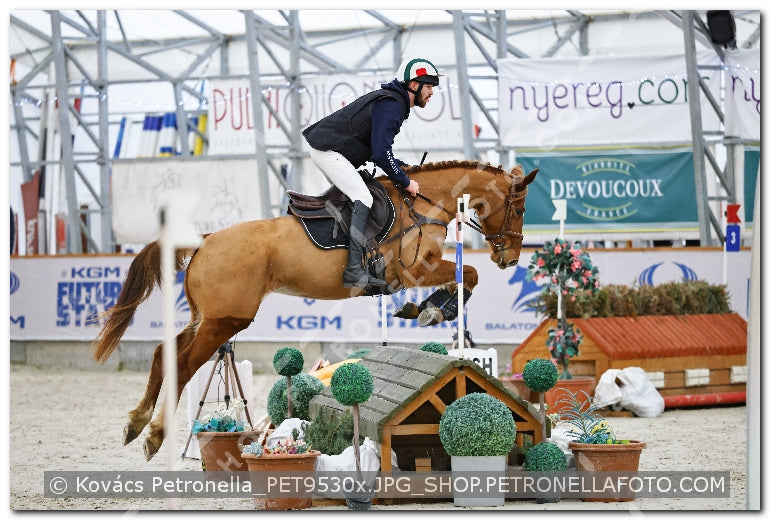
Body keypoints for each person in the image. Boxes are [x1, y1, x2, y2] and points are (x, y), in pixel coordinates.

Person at [302, 58, 441, 289]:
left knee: (364, 194)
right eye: (429, 86)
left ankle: (353, 256)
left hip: (332, 151)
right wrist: (406, 182)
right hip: (328, 152)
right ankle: (354, 271)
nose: (432, 93)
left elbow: (380, 150)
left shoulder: (393, 103)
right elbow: (380, 153)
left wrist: (402, 167)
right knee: (364, 198)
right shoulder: (392, 105)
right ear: (414, 85)